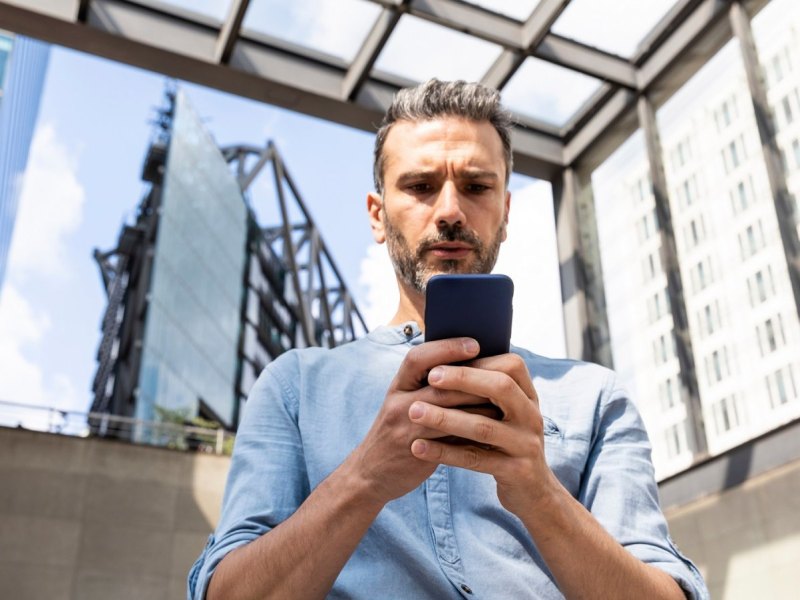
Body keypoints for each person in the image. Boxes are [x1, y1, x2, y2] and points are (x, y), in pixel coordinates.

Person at [188, 79, 708, 600]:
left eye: (477, 187)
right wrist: (366, 476)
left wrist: (539, 493)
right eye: (419, 186)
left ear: (505, 213)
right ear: (377, 214)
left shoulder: (595, 397)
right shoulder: (295, 386)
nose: (450, 211)